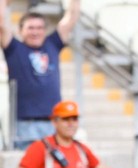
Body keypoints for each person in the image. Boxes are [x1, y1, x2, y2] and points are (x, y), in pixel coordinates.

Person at [0, 0, 82, 150]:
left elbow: (71, 17)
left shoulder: (53, 44)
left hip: (53, 122)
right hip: (24, 123)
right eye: (30, 28)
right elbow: (1, 24)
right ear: (20, 31)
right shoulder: (14, 48)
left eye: (39, 28)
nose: (35, 32)